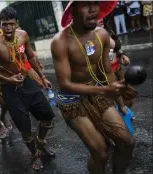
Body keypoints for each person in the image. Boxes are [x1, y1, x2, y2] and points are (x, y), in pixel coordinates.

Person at [51, 1, 135, 174]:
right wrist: (104, 90)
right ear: (72, 10)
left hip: (97, 95)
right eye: (86, 4)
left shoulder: (102, 34)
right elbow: (65, 83)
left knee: (127, 142)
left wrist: (120, 104)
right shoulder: (60, 41)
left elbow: (106, 71)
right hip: (72, 102)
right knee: (100, 153)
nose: (93, 9)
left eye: (96, 3)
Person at [0, 6, 55, 170]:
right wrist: (8, 79)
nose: (8, 28)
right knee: (24, 127)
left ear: (17, 23)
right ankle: (35, 155)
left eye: (11, 24)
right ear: (0, 24)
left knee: (47, 116)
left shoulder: (23, 35)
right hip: (10, 90)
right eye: (4, 24)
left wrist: (42, 77)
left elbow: (30, 56)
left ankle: (41, 141)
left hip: (28, 83)